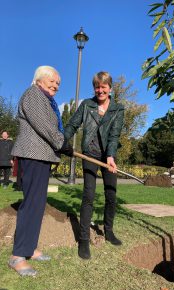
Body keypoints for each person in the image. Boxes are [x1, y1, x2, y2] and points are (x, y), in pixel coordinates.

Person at [8, 66, 73, 276]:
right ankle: (18, 256)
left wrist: (62, 145)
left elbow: (49, 127)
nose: (55, 85)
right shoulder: (33, 94)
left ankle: (30, 248)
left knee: (38, 203)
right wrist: (62, 142)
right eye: (52, 81)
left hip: (42, 156)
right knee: (32, 203)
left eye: (58, 83)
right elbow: (44, 125)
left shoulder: (46, 99)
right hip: (33, 155)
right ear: (39, 80)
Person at [64, 71, 124, 259]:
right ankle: (83, 239)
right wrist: (61, 140)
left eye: (103, 87)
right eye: (97, 87)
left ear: (110, 88)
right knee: (88, 195)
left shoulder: (117, 109)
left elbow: (114, 135)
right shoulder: (86, 105)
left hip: (108, 157)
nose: (99, 90)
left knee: (111, 195)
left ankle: (109, 230)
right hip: (89, 154)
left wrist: (111, 156)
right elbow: (73, 125)